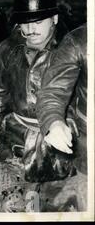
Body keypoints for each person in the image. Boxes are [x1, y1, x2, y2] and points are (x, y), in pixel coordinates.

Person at [0, 0, 72, 212]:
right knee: (9, 208)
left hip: (57, 147)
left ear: (54, 18)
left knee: (48, 211)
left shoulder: (72, 50)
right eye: (24, 22)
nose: (30, 29)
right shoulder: (7, 48)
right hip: (14, 141)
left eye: (38, 20)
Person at [36, 24, 87, 211]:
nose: (32, 28)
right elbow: (52, 92)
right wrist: (54, 121)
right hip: (86, 147)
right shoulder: (78, 41)